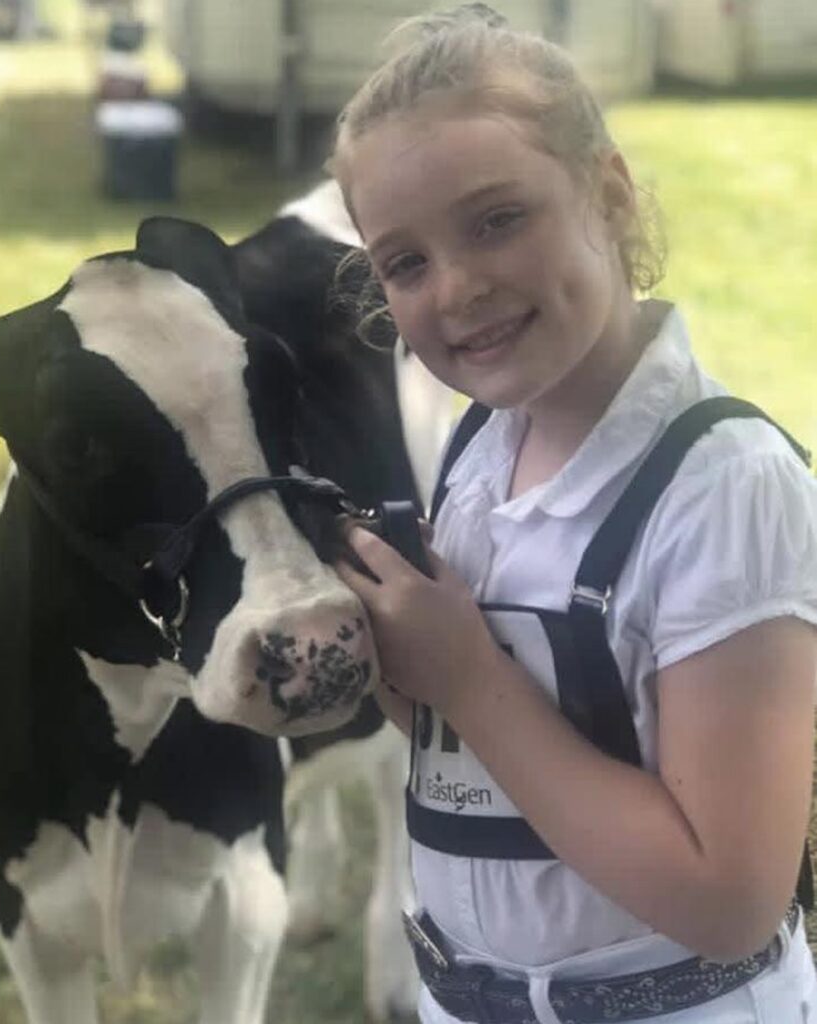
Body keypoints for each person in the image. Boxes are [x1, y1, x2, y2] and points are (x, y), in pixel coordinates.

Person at [328, 5, 817, 1024]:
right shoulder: (479, 448)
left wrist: (466, 676)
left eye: (496, 220)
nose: (456, 287)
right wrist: (384, 668)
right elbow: (494, 758)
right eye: (405, 262)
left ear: (608, 191)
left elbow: (728, 898)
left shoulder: (721, 488)